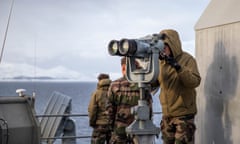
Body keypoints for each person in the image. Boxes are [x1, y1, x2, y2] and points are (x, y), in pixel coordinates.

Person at [154, 29, 201, 144]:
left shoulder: (187, 60)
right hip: (167, 117)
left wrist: (178, 67)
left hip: (183, 117)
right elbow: (154, 83)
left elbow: (194, 82)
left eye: (165, 46)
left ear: (172, 44)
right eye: (161, 47)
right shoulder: (160, 63)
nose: (163, 50)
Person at [106, 57, 153, 144]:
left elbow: (109, 112)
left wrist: (111, 130)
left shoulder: (114, 85)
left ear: (124, 67)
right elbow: (149, 110)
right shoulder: (144, 85)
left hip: (120, 131)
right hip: (139, 132)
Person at [88, 73, 112, 144]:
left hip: (99, 125)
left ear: (99, 81)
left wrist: (92, 123)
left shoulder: (96, 93)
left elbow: (92, 110)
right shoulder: (115, 92)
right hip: (112, 125)